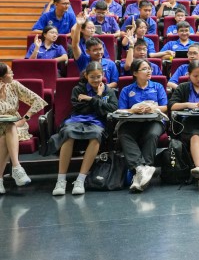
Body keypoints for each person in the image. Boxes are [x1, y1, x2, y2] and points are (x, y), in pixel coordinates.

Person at [49, 62, 118, 196]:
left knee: (96, 135)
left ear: (102, 75)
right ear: (86, 75)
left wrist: (91, 99)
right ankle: (61, 180)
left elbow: (113, 108)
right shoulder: (78, 89)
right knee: (68, 134)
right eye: (92, 77)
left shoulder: (108, 90)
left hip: (96, 122)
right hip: (76, 120)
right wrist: (98, 100)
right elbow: (80, 108)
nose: (96, 80)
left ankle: (80, 179)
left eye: (98, 77)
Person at [117, 59, 168, 193]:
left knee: (152, 134)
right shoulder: (127, 90)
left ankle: (140, 172)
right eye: (144, 69)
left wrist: (153, 108)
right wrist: (132, 110)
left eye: (149, 68)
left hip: (154, 121)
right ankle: (141, 168)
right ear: (135, 73)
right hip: (133, 121)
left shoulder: (158, 87)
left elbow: (165, 107)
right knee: (123, 133)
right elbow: (121, 110)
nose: (149, 71)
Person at [0, 63, 47, 193]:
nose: (13, 74)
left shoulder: (14, 85)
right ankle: (17, 169)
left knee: (8, 129)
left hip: (15, 125)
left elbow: (38, 101)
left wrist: (24, 119)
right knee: (4, 135)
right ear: (1, 78)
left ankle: (13, 169)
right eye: (10, 72)